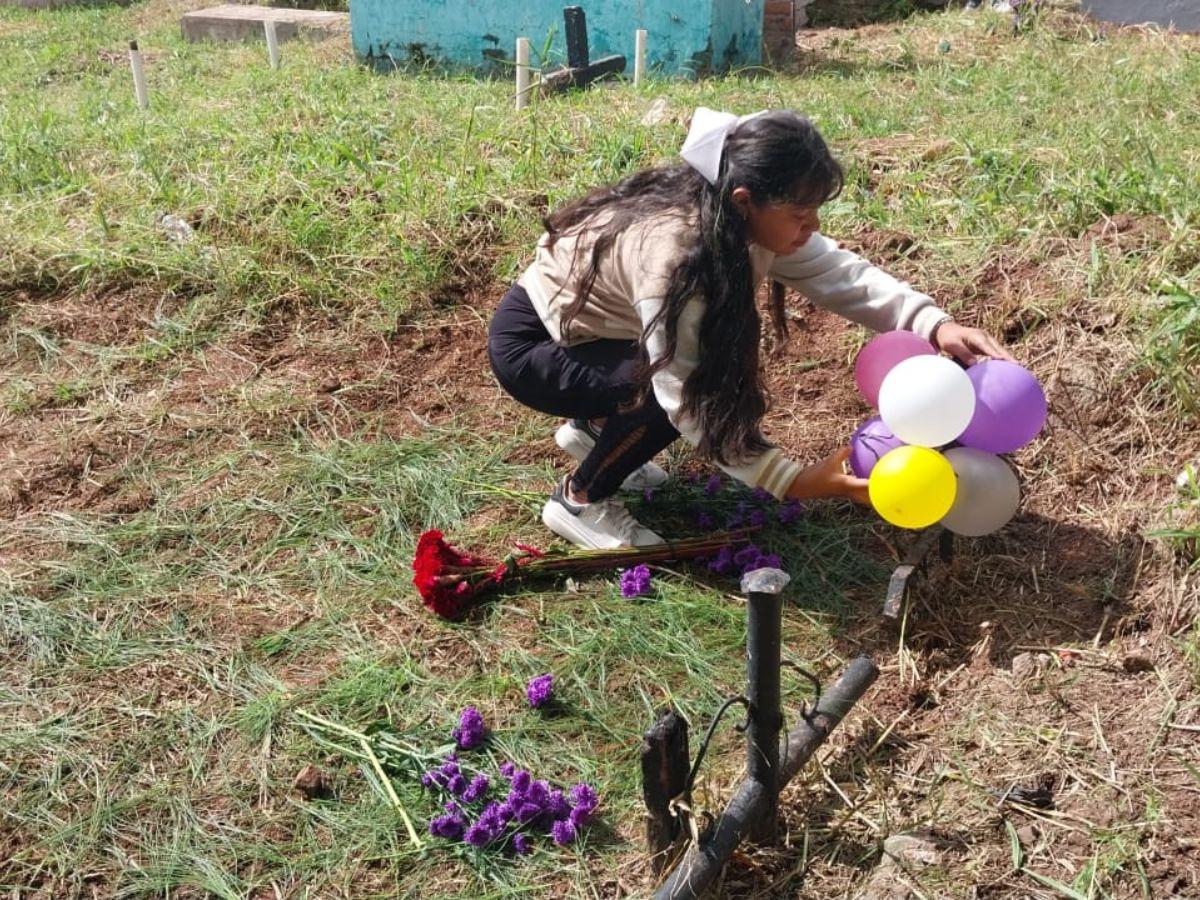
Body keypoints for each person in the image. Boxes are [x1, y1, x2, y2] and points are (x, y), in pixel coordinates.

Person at [487, 108, 1012, 550]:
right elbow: (688, 396)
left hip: (596, 329)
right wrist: (793, 481)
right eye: (802, 212)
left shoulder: (735, 219)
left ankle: (594, 429)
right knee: (667, 394)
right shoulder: (679, 261)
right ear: (745, 200)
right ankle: (580, 499)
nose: (814, 226)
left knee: (677, 371)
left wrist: (934, 323)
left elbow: (840, 275)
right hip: (537, 347)